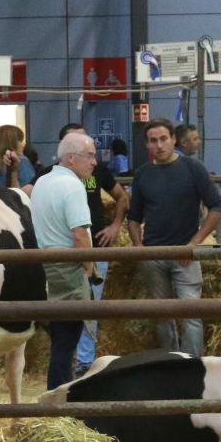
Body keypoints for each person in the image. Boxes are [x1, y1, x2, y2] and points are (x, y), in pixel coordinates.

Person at [127, 118, 221, 355]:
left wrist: (194, 243)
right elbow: (133, 218)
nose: (159, 145)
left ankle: (192, 366)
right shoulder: (143, 175)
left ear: (173, 140)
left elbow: (217, 207)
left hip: (185, 255)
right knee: (162, 314)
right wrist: (139, 247)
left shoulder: (193, 168)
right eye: (153, 141)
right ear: (147, 145)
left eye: (163, 139)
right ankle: (170, 363)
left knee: (190, 314)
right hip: (154, 254)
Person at [33, 132, 101, 388]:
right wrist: (90, 269)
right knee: (66, 341)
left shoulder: (42, 181)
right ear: (71, 158)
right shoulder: (72, 186)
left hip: (43, 269)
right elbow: (80, 234)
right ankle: (58, 398)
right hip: (68, 269)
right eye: (90, 156)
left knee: (59, 339)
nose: (94, 162)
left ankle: (59, 392)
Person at [64, 122, 128, 376]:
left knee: (90, 306)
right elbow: (26, 194)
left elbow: (122, 197)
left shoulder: (97, 171)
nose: (88, 156)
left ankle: (84, 365)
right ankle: (67, 361)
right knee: (65, 307)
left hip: (95, 247)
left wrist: (114, 226)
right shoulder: (54, 176)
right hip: (64, 250)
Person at [0, 123, 35, 191]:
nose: (23, 144)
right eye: (20, 140)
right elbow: (30, 191)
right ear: (11, 143)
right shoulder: (21, 161)